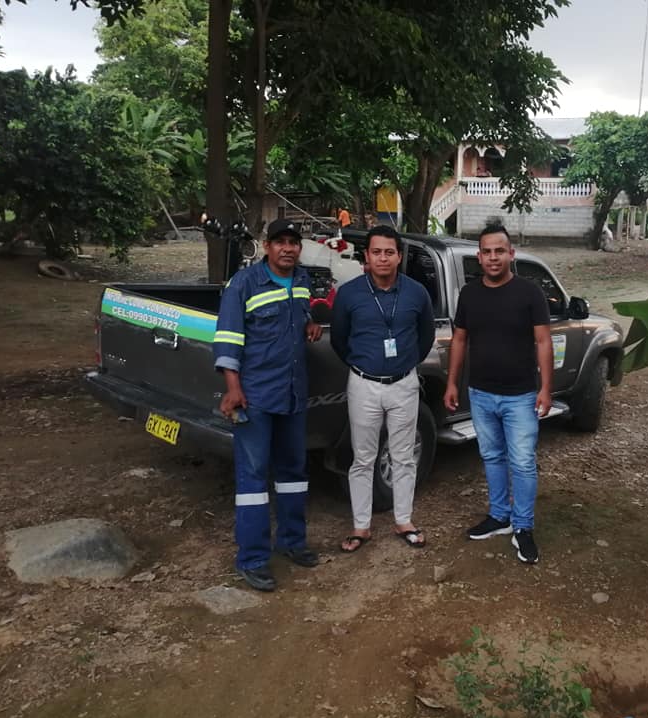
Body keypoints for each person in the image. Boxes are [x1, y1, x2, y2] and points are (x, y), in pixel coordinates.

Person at [213, 218, 324, 591]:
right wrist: (233, 389)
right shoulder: (244, 284)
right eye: (280, 242)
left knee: (293, 472)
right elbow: (228, 339)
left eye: (293, 242)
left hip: (292, 394)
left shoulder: (302, 281)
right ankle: (253, 558)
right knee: (253, 478)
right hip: (255, 397)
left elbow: (299, 315)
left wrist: (309, 324)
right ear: (267, 246)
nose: (288, 248)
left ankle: (292, 542)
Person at [443, 224, 553, 565]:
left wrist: (546, 388)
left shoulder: (530, 293)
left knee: (522, 462)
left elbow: (543, 341)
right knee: (491, 456)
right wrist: (452, 383)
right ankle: (499, 515)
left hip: (520, 395)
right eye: (487, 252)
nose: (493, 257)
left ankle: (523, 526)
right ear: (479, 257)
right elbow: (460, 339)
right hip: (480, 393)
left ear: (510, 254)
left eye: (499, 251)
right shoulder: (469, 294)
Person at [330, 225, 435, 552]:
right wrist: (364, 365)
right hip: (363, 384)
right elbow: (339, 340)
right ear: (367, 256)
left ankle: (404, 520)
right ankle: (361, 526)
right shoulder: (349, 294)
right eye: (376, 252)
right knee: (363, 458)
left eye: (389, 252)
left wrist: (403, 364)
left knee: (403, 457)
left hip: (404, 384)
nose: (383, 258)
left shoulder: (417, 293)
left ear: (399, 256)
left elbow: (425, 337)